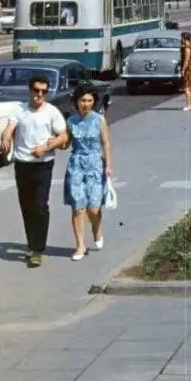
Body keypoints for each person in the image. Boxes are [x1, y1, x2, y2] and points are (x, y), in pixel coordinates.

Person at [0, 74, 67, 268]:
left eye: (44, 91)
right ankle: (32, 245)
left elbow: (63, 137)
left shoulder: (52, 112)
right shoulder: (19, 110)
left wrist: (45, 147)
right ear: (30, 90)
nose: (40, 95)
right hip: (22, 164)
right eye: (37, 91)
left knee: (40, 205)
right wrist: (5, 138)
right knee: (27, 206)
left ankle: (38, 249)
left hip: (43, 164)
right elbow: (9, 128)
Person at [56, 83, 112, 261]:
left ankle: (96, 228)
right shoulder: (71, 121)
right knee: (78, 207)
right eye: (82, 100)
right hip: (76, 165)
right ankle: (80, 245)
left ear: (93, 101)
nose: (86, 104)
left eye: (89, 100)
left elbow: (105, 143)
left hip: (95, 164)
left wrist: (108, 165)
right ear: (77, 102)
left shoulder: (99, 120)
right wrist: (55, 142)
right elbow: (66, 144)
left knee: (93, 208)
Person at [180, 30, 191, 111]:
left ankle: (188, 105)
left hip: (188, 69)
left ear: (184, 38)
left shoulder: (187, 48)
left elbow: (186, 60)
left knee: (186, 87)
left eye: (182, 38)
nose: (181, 39)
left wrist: (183, 69)